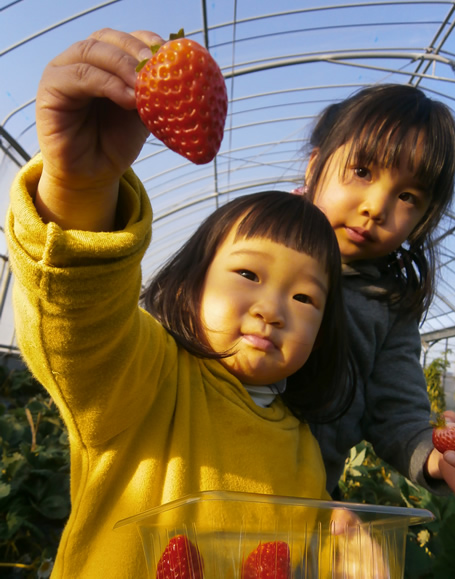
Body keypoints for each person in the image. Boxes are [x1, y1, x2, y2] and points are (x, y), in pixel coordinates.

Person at [5, 29, 355, 578]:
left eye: (305, 296)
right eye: (247, 273)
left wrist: (342, 557)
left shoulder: (303, 450)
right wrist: (80, 187)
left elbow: (296, 562)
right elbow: (82, 320)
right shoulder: (146, 379)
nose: (271, 308)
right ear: (191, 286)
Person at [295, 83, 455, 500]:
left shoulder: (388, 307)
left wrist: (438, 459)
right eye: (363, 171)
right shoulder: (247, 247)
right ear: (314, 167)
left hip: (304, 510)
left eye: (407, 196)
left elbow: (400, 419)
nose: (376, 207)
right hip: (204, 479)